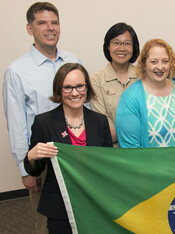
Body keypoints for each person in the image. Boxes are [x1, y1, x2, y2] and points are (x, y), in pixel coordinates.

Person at [2, 2, 80, 233]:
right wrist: (25, 170)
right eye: (42, 23)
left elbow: (84, 106)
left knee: (79, 218)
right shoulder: (17, 71)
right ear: (29, 28)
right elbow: (16, 124)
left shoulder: (72, 61)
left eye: (54, 22)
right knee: (46, 223)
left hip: (76, 157)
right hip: (44, 160)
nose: (50, 28)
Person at [23, 63, 112, 233]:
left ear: (87, 87)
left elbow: (106, 164)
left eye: (80, 86)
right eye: (68, 88)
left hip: (94, 203)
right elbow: (35, 170)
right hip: (59, 206)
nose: (75, 93)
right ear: (59, 90)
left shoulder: (99, 121)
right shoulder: (44, 122)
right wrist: (31, 157)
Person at [115, 39, 175, 148]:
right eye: (154, 62)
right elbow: (131, 151)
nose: (160, 67)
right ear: (143, 64)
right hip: (147, 165)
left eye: (165, 61)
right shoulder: (130, 98)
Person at [90, 22, 140, 146]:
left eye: (127, 43)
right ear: (108, 46)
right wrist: (133, 131)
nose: (121, 48)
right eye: (116, 43)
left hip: (141, 149)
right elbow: (102, 125)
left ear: (134, 47)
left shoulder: (142, 76)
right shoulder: (96, 79)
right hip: (111, 152)